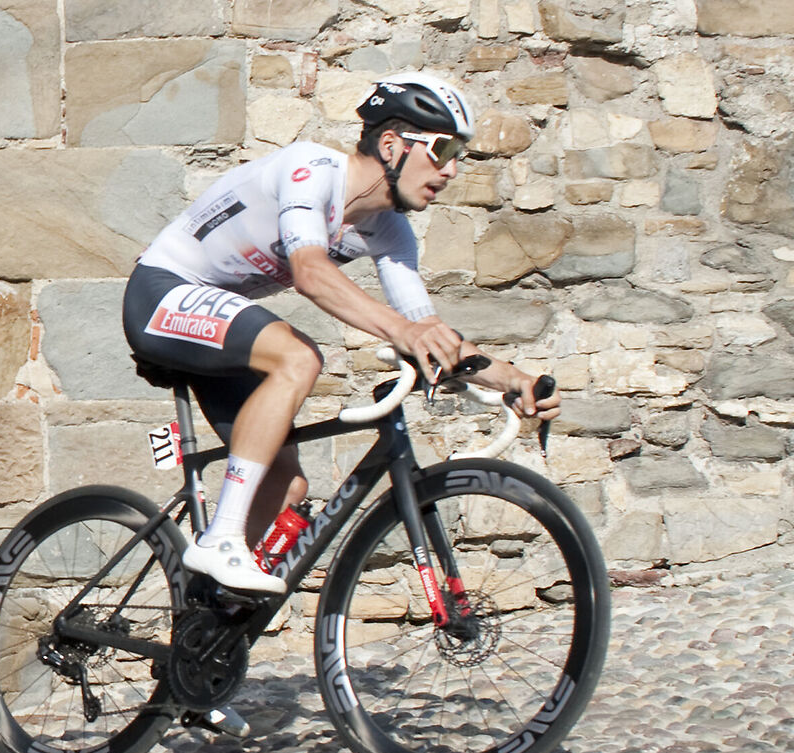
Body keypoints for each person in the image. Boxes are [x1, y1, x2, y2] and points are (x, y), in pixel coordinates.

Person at [123, 71, 564, 596]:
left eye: (458, 155)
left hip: (221, 319)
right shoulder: (311, 169)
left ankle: (203, 622)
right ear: (391, 145)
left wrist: (511, 378)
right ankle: (220, 539)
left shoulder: (390, 231)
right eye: (442, 149)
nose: (450, 170)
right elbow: (310, 272)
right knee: (299, 357)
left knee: (287, 485)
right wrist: (401, 331)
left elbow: (427, 330)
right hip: (162, 292)